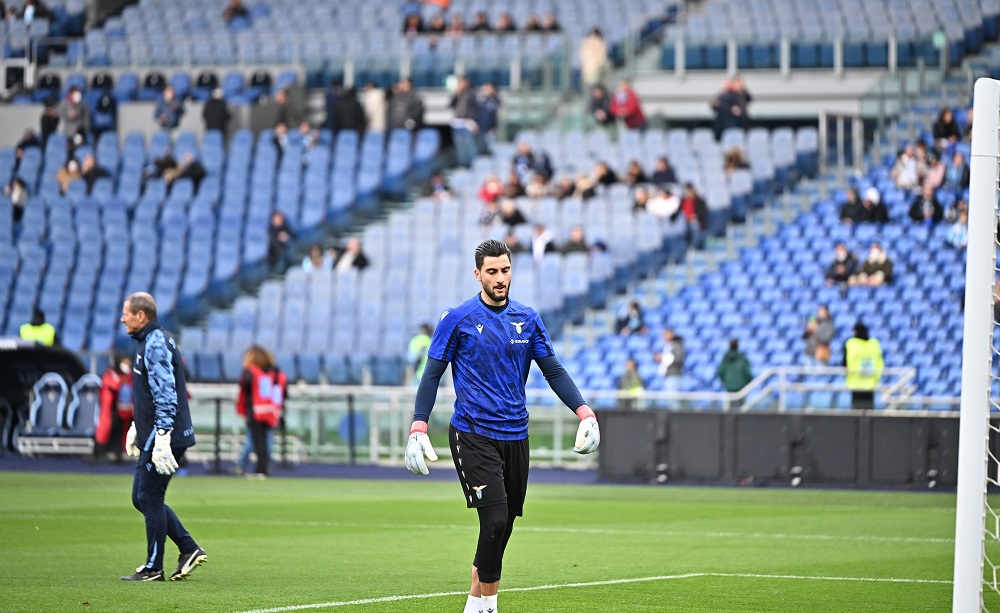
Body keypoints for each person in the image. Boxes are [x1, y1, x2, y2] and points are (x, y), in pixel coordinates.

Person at [403, 239, 601, 613]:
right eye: (491, 271)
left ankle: (474, 605)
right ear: (477, 274)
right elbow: (431, 375)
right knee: (493, 519)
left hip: (516, 435)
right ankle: (491, 608)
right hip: (472, 433)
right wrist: (418, 425)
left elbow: (553, 370)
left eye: (505, 270)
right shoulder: (457, 318)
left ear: (512, 270)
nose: (499, 278)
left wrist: (584, 411)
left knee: (503, 526)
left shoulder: (528, 318)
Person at [118, 292, 206, 581]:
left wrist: (163, 436)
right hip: (155, 431)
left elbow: (165, 394)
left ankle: (154, 566)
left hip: (163, 434)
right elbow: (149, 394)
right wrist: (137, 426)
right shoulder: (151, 341)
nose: (123, 318)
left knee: (149, 496)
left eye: (126, 313)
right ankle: (188, 547)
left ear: (141, 316)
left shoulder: (155, 343)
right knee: (142, 496)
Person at [235, 346, 286, 478]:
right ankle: (263, 467)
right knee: (264, 441)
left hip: (256, 411)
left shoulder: (252, 372)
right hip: (270, 411)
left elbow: (246, 392)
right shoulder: (273, 373)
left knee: (258, 442)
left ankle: (259, 469)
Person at [96, 355, 134, 462]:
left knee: (120, 431)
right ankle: (100, 452)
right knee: (105, 429)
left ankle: (117, 453)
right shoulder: (110, 374)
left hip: (122, 409)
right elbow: (114, 385)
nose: (127, 365)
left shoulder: (128, 376)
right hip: (109, 408)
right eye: (124, 362)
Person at [843, 321, 883, 410]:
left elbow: (844, 363)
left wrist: (846, 375)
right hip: (870, 382)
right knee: (869, 412)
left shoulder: (851, 344)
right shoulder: (874, 344)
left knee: (857, 412)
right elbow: (880, 362)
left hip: (855, 382)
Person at [653, 328, 686, 406]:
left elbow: (678, 359)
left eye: (666, 334)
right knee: (669, 400)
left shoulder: (677, 345)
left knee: (673, 400)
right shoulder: (669, 345)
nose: (664, 336)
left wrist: (663, 358)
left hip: (674, 375)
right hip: (668, 375)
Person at [716, 339, 753, 404]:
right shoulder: (742, 359)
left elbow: (720, 371)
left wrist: (726, 382)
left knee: (730, 410)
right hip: (741, 388)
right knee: (741, 411)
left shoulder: (725, 359)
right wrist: (745, 383)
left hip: (729, 387)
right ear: (738, 346)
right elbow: (748, 374)